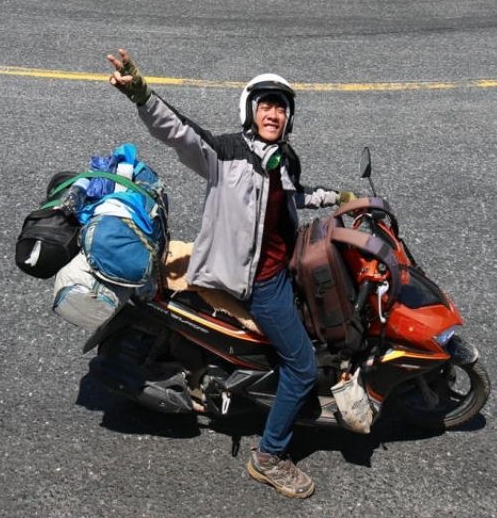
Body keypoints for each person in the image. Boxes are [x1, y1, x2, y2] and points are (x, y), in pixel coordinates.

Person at [106, 47, 352, 501]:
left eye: (280, 106)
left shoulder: (285, 160)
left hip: (283, 266)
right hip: (255, 282)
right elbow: (178, 132)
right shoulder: (225, 154)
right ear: (249, 109)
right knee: (300, 366)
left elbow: (294, 196)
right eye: (265, 104)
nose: (273, 113)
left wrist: (341, 197)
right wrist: (140, 92)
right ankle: (270, 456)